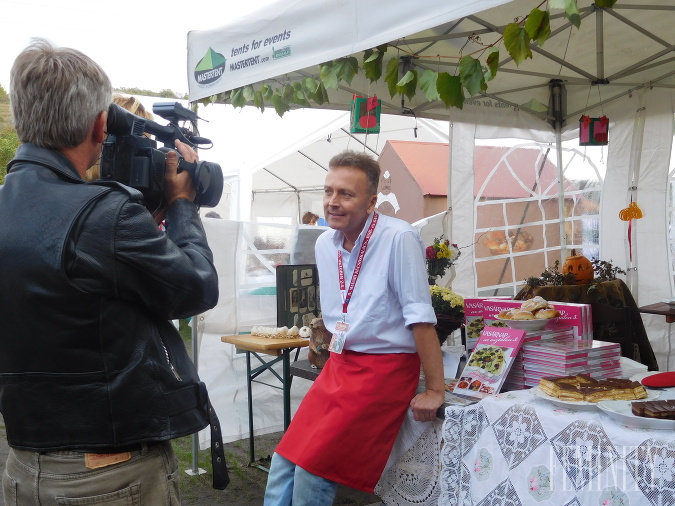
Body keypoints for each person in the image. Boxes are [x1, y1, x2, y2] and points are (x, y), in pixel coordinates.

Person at [0, 39, 227, 505]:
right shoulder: (104, 215)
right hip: (108, 474)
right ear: (100, 124)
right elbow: (197, 287)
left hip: (24, 462)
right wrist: (182, 204)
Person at [264, 150, 444, 505]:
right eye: (329, 191)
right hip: (340, 365)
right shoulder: (323, 242)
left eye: (346, 194)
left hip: (384, 370)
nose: (333, 202)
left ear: (371, 201)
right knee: (284, 460)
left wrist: (435, 390)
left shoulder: (398, 238)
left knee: (315, 468)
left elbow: (421, 318)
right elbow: (339, 312)